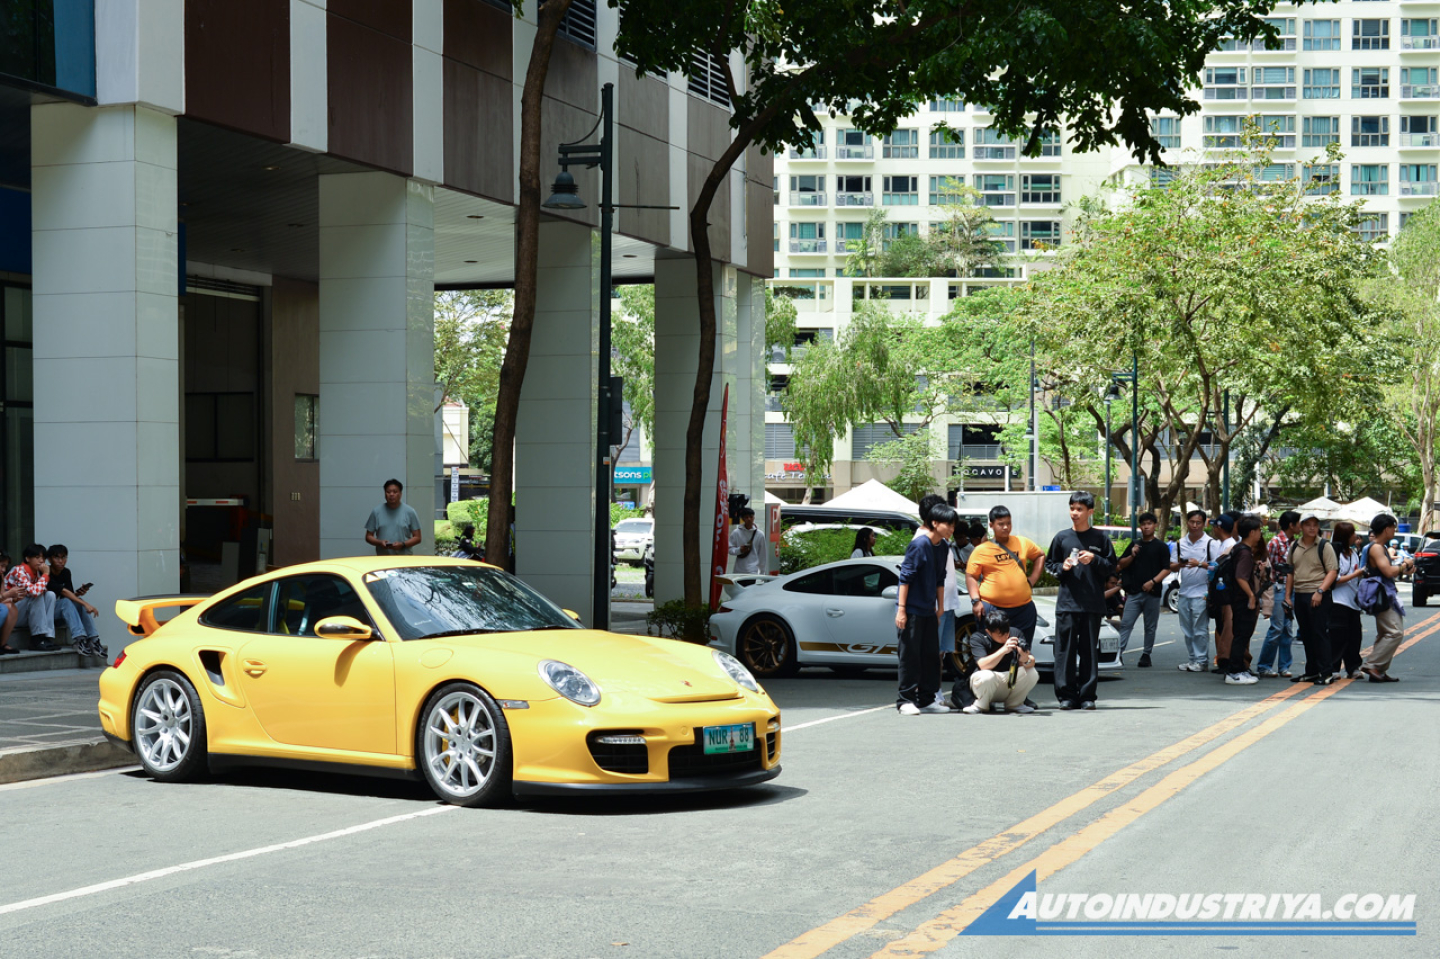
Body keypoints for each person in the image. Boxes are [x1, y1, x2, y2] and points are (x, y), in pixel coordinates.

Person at [1045, 491, 1116, 710]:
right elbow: (1050, 565)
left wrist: (1094, 559)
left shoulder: (1100, 539)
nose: (1075, 513)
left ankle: (1087, 696)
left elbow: (1112, 567)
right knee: (1064, 651)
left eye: (1080, 509)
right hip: (1067, 604)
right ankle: (1066, 696)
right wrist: (1062, 567)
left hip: (1092, 604)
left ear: (1090, 512)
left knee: (1088, 651)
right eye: (1072, 508)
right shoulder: (1061, 537)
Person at [895, 503, 957, 715]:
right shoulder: (919, 545)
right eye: (948, 524)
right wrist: (901, 609)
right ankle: (905, 700)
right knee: (910, 656)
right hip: (912, 610)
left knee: (931, 656)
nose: (951, 529)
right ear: (934, 523)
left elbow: (941, 578)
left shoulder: (943, 547)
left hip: (929, 610)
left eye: (953, 525)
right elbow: (905, 578)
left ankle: (927, 699)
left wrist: (939, 608)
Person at [964, 505, 1046, 646]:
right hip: (993, 609)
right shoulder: (981, 550)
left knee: (1022, 650)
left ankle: (1019, 669)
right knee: (993, 650)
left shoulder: (1022, 542)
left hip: (1024, 609)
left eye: (1008, 523)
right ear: (991, 525)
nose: (1006, 527)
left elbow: (1040, 555)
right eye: (1001, 524)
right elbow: (971, 576)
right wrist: (976, 601)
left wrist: (1032, 580)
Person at [1285, 510, 1337, 685]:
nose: (1312, 528)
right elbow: (1290, 572)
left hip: (1318, 595)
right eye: (1308, 524)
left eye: (1315, 525)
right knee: (1306, 635)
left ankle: (1326, 672)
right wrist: (1287, 596)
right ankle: (1312, 671)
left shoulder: (1324, 545)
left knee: (1320, 633)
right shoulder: (1294, 547)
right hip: (1300, 595)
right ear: (1301, 527)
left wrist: (1320, 591)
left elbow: (1332, 571)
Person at [1359, 513, 1411, 683]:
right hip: (1381, 593)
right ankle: (1373, 664)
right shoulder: (1376, 547)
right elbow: (1388, 571)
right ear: (1387, 529)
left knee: (1385, 633)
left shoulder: (1380, 547)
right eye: (1393, 527)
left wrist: (1403, 568)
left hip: (1385, 592)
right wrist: (1403, 566)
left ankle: (1380, 670)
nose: (1394, 531)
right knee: (1395, 632)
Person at [1115, 512, 1170, 667]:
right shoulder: (1135, 545)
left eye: (1149, 524)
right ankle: (1118, 654)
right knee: (1126, 623)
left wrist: (1153, 582)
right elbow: (1120, 565)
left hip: (1152, 593)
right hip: (1133, 592)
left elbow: (1166, 568)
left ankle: (1146, 654)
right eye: (1143, 524)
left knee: (1150, 626)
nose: (1146, 527)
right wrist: (1132, 555)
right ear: (1140, 526)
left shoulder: (1161, 546)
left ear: (1155, 525)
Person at [961, 608, 1039, 714]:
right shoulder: (978, 637)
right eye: (1000, 635)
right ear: (988, 631)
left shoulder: (1015, 633)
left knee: (1032, 673)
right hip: (987, 683)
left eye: (1007, 632)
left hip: (1009, 680)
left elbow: (1031, 661)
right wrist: (1003, 650)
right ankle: (981, 705)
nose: (1005, 636)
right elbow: (983, 665)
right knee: (986, 676)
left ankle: (1015, 704)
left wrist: (1025, 658)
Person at [1255, 510, 1300, 678]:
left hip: (1291, 588)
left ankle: (1284, 666)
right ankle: (1264, 665)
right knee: (1277, 628)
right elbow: (1269, 566)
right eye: (1299, 523)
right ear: (1291, 525)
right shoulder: (1275, 542)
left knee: (1287, 629)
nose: (1301, 527)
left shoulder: (1295, 542)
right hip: (1278, 588)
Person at [45, 544, 106, 661]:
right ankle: (79, 640)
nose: (61, 561)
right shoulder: (46, 573)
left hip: (61, 612)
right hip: (46, 614)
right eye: (57, 557)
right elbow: (63, 592)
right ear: (49, 559)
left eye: (64, 557)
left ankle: (93, 640)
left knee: (76, 602)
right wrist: (86, 604)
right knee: (69, 603)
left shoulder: (66, 572)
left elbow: (69, 594)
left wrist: (79, 594)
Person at [1221, 516, 1263, 684]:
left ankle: (1239, 669)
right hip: (1242, 599)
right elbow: (1240, 577)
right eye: (1259, 530)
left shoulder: (1238, 548)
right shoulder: (1245, 552)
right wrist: (1251, 596)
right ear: (1252, 532)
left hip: (1236, 598)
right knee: (1241, 636)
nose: (1260, 534)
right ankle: (1235, 671)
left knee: (1240, 634)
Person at [1172, 510, 1215, 672]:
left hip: (1202, 592)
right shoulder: (1180, 543)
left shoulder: (1211, 543)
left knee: (1200, 629)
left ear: (1204, 523)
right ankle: (1192, 659)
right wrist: (1179, 565)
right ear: (1187, 522)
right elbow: (1171, 565)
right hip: (1184, 592)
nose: (1195, 525)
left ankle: (1202, 660)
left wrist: (1200, 564)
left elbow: (1217, 566)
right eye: (1192, 522)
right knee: (1187, 629)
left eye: (1198, 522)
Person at [1327, 521, 1366, 680]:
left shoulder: (1354, 553)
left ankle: (1353, 667)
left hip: (1353, 601)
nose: (1355, 536)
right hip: (1338, 600)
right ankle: (1334, 667)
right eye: (1352, 533)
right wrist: (1356, 574)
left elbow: (1355, 572)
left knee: (1355, 635)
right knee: (1338, 635)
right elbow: (1334, 579)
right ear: (1345, 536)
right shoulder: (1334, 553)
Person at [5, 545, 58, 651]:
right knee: (36, 596)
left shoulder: (37, 573)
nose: (41, 561)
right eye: (37, 557)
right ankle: (36, 640)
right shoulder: (19, 570)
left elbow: (42, 591)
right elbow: (34, 592)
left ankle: (47, 636)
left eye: (43, 558)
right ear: (27, 558)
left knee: (50, 595)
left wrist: (42, 579)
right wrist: (46, 574)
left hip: (23, 613)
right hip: (10, 614)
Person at [365, 479, 423, 555]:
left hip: (404, 559)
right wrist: (379, 542)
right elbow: (368, 536)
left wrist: (403, 544)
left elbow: (417, 538)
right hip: (383, 559)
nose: (391, 494)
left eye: (395, 492)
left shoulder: (410, 512)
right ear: (385, 494)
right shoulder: (376, 511)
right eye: (388, 492)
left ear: (401, 494)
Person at [728, 507, 764, 574]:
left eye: (751, 517)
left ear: (754, 517)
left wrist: (762, 572)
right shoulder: (736, 533)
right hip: (739, 571)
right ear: (743, 519)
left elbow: (762, 554)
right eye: (746, 517)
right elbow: (729, 549)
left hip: (753, 571)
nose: (749, 519)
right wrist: (739, 550)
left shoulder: (760, 534)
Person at [0, 553, 21, 655]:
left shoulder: (1, 577)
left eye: (5, 566)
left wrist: (14, 598)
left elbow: (2, 596)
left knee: (11, 607)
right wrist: (7, 595)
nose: (3, 570)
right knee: (3, 609)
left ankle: (2, 644)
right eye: (1, 566)